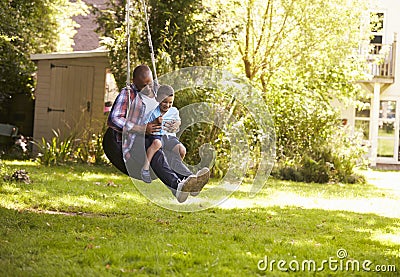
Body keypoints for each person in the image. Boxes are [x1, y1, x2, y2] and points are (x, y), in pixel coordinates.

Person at [103, 65, 209, 203]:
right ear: (134, 81)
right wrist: (141, 128)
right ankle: (177, 187)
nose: (148, 89)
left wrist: (175, 124)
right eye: (143, 86)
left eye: (150, 83)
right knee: (155, 149)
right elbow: (113, 119)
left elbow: (169, 111)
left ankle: (191, 182)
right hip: (136, 141)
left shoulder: (158, 90)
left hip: (159, 135)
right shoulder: (128, 94)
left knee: (173, 152)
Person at [141, 85, 186, 183]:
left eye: (170, 102)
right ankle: (145, 168)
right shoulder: (153, 111)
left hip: (170, 137)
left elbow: (178, 122)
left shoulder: (174, 111)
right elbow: (146, 124)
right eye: (164, 102)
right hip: (157, 135)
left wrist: (177, 124)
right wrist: (155, 121)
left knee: (182, 150)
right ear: (158, 99)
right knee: (157, 143)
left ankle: (175, 169)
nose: (167, 105)